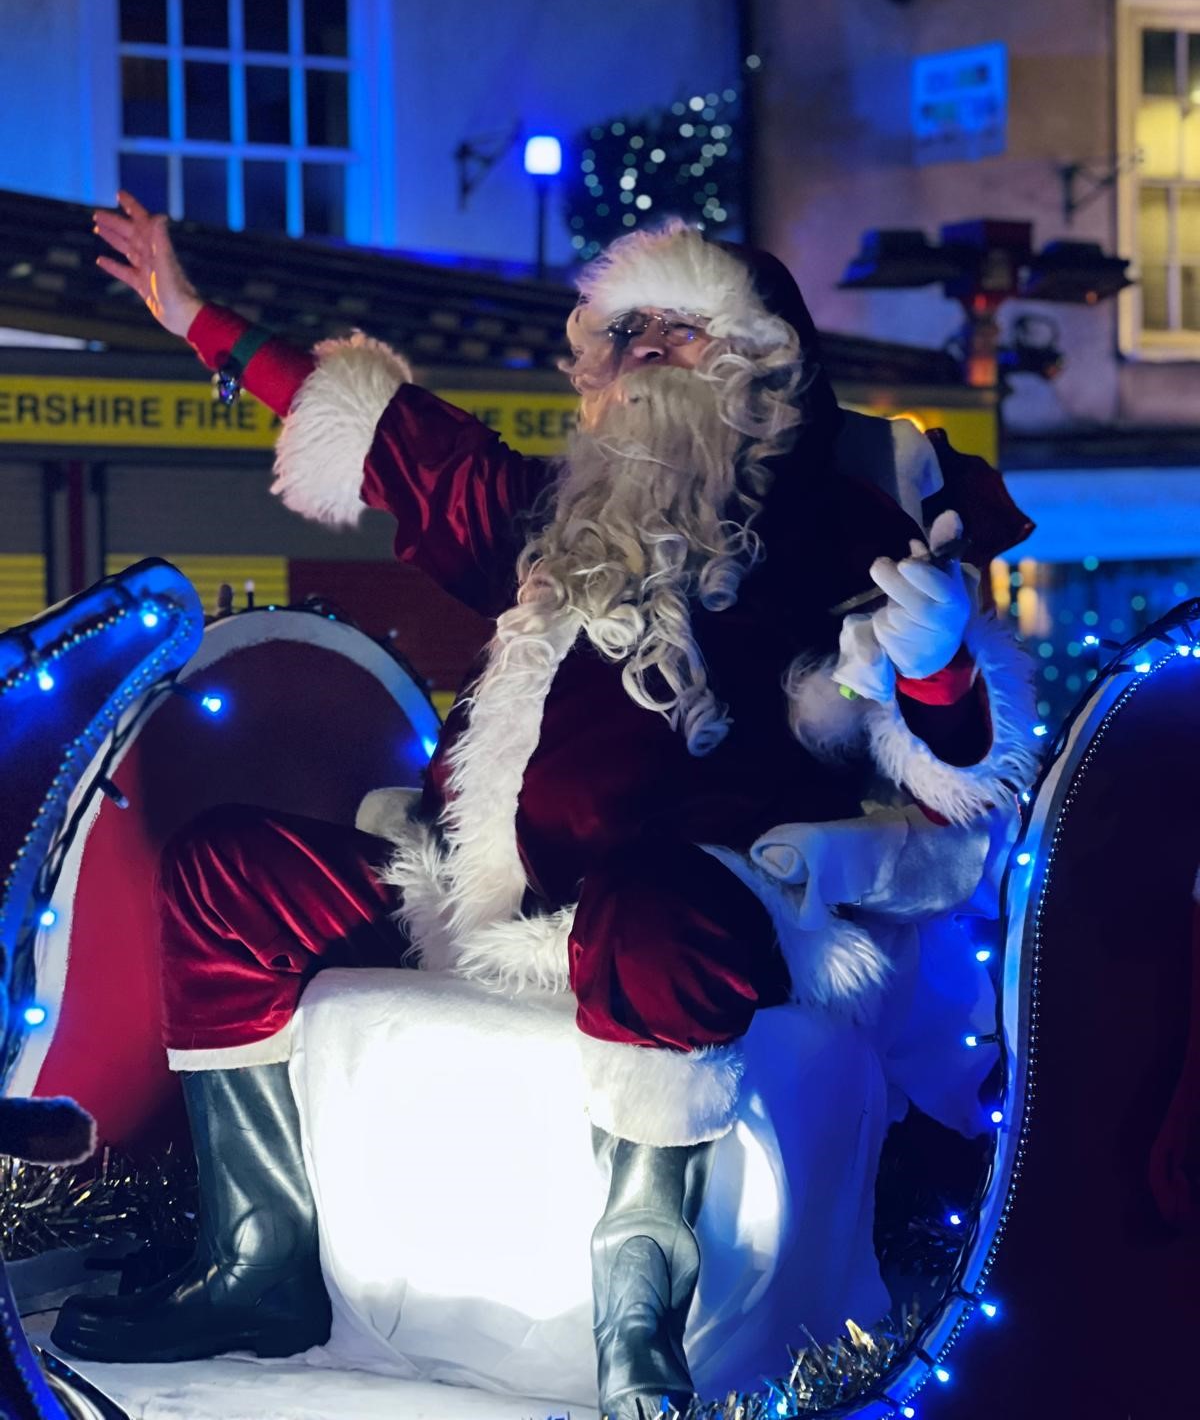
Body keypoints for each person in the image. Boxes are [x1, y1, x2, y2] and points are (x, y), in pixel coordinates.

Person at [53, 194, 1037, 1420]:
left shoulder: (845, 535)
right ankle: (260, 1258)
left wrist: (941, 658)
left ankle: (638, 1319)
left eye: (665, 338)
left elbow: (958, 765)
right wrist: (201, 319)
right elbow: (398, 437)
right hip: (480, 884)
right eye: (616, 342)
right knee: (225, 870)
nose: (629, 366)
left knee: (657, 909)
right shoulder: (556, 522)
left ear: (751, 364)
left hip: (700, 904)